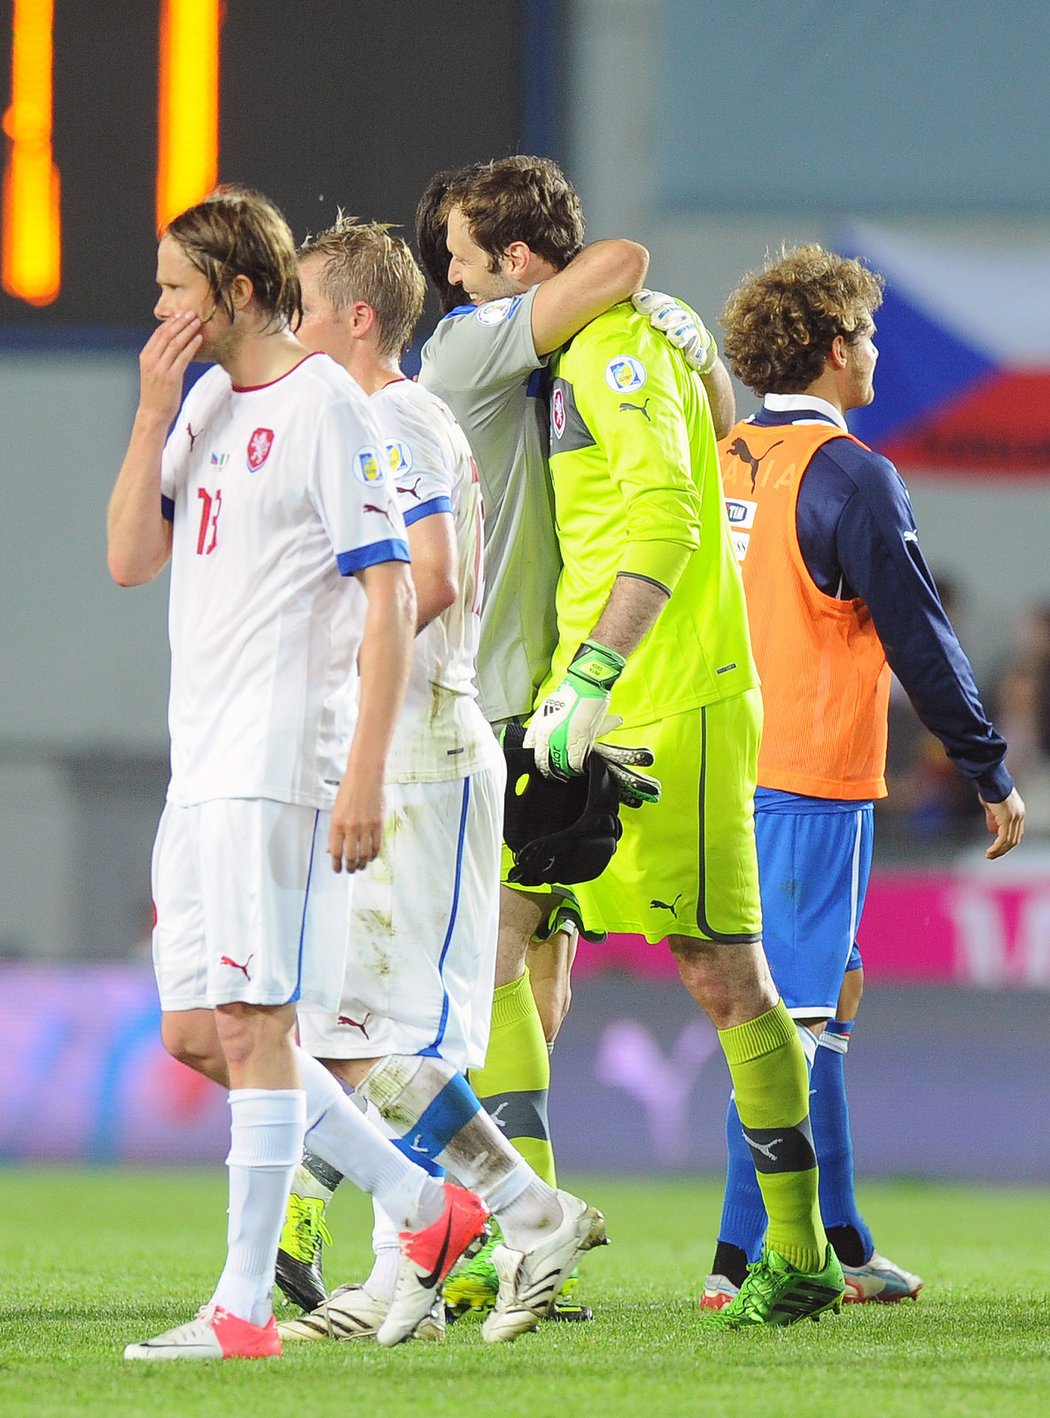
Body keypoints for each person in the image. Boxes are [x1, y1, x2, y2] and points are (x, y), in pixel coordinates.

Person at [432, 157, 843, 1329]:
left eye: (464, 260)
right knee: (496, 945)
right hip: (583, 702)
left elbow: (669, 507)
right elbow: (722, 439)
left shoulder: (615, 347)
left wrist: (604, 668)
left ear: (517, 261)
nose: (452, 282)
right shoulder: (595, 351)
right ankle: (531, 1232)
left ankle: (803, 1250)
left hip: (668, 703)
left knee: (721, 972)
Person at [108, 187, 488, 1360]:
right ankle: (427, 1205)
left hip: (281, 755)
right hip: (200, 755)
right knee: (196, 1029)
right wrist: (151, 410)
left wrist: (363, 766)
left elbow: (390, 594)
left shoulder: (330, 404)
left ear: (233, 289)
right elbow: (129, 557)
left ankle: (242, 1307)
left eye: (177, 285)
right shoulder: (208, 399)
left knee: (257, 1014)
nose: (162, 305)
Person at [270, 217, 608, 1347]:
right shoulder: (370, 418)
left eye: (304, 306)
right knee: (354, 1032)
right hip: (389, 747)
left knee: (386, 1034)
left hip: (419, 748)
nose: (290, 325)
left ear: (356, 318)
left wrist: (338, 649)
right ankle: (421, 1257)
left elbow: (434, 574)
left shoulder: (396, 415)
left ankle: (519, 1215)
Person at [703, 243, 1025, 1310]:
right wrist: (986, 766)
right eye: (871, 335)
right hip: (807, 776)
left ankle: (840, 1242)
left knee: (814, 1001)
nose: (877, 349)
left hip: (720, 771)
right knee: (791, 1021)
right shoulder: (849, 474)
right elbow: (921, 637)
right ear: (838, 350)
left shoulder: (724, 458)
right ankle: (742, 1262)